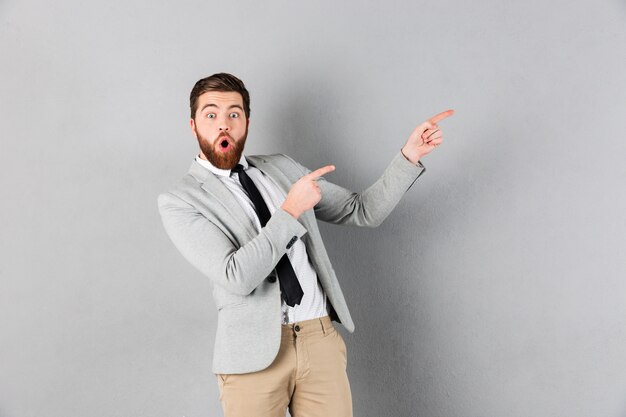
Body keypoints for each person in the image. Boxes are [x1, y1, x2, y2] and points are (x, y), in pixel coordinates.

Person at [157, 72, 453, 417]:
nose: (223, 125)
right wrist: (290, 209)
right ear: (193, 125)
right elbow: (236, 275)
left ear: (247, 122)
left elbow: (363, 210)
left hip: (318, 339)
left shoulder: (282, 168)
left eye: (233, 114)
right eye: (211, 115)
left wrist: (409, 156)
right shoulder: (181, 200)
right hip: (252, 356)